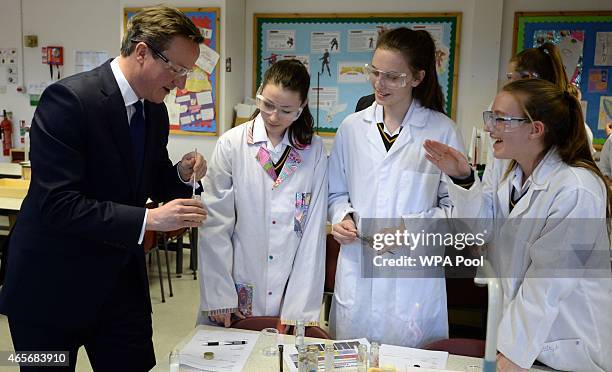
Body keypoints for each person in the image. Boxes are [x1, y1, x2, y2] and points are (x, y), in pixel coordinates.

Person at [0, 6, 208, 371]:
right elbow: (58, 205)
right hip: (47, 289)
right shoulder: (68, 100)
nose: (181, 83)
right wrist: (149, 218)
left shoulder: (154, 110)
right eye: (176, 69)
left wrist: (181, 174)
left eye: (186, 72)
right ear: (142, 51)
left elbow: (153, 177)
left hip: (119, 286)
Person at [424, 79, 612, 371]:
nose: (489, 127)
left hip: (569, 344)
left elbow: (549, 281)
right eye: (491, 117)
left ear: (535, 129)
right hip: (530, 338)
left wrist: (514, 351)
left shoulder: (576, 188)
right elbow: (480, 231)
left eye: (500, 119)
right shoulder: (514, 179)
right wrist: (463, 177)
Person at [328, 27, 464, 347]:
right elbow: (336, 192)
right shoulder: (351, 128)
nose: (379, 83)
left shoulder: (441, 130)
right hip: (358, 271)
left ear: (417, 77)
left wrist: (408, 230)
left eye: (392, 76)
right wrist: (342, 216)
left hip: (412, 279)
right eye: (374, 72)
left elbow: (456, 208)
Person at [198, 60, 327, 330]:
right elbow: (215, 225)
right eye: (267, 104)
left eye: (286, 110)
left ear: (301, 108)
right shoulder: (232, 144)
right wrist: (221, 296)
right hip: (237, 284)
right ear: (259, 93)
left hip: (289, 288)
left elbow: (312, 232)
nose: (273, 116)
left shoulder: (313, 150)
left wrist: (299, 310)